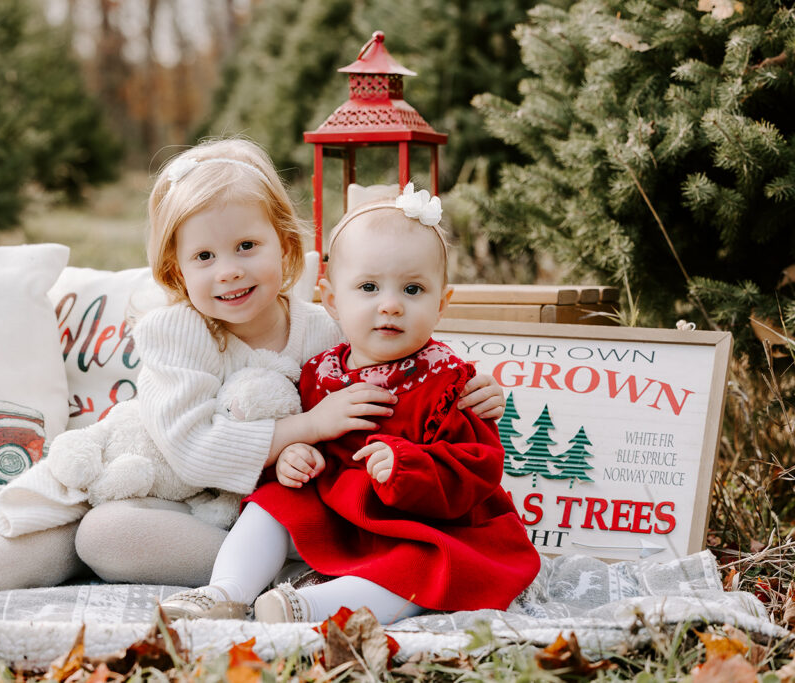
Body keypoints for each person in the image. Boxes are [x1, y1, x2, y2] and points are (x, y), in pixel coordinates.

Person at [0, 140, 507, 617]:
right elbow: (191, 447)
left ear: (286, 248)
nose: (227, 271)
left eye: (246, 248)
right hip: (157, 470)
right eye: (203, 256)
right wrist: (308, 426)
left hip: (245, 511)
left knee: (104, 535)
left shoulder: (326, 325)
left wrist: (480, 396)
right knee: (51, 507)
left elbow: (400, 371)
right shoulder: (180, 332)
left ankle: (294, 569)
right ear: (176, 271)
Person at [159, 184, 539, 625]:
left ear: (442, 304)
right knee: (274, 502)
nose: (391, 305)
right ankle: (225, 590)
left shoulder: (450, 383)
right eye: (369, 287)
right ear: (334, 301)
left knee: (423, 568)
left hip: (426, 525)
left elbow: (477, 468)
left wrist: (407, 466)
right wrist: (293, 457)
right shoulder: (319, 371)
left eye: (413, 289)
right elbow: (303, 433)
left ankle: (309, 607)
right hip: (342, 515)